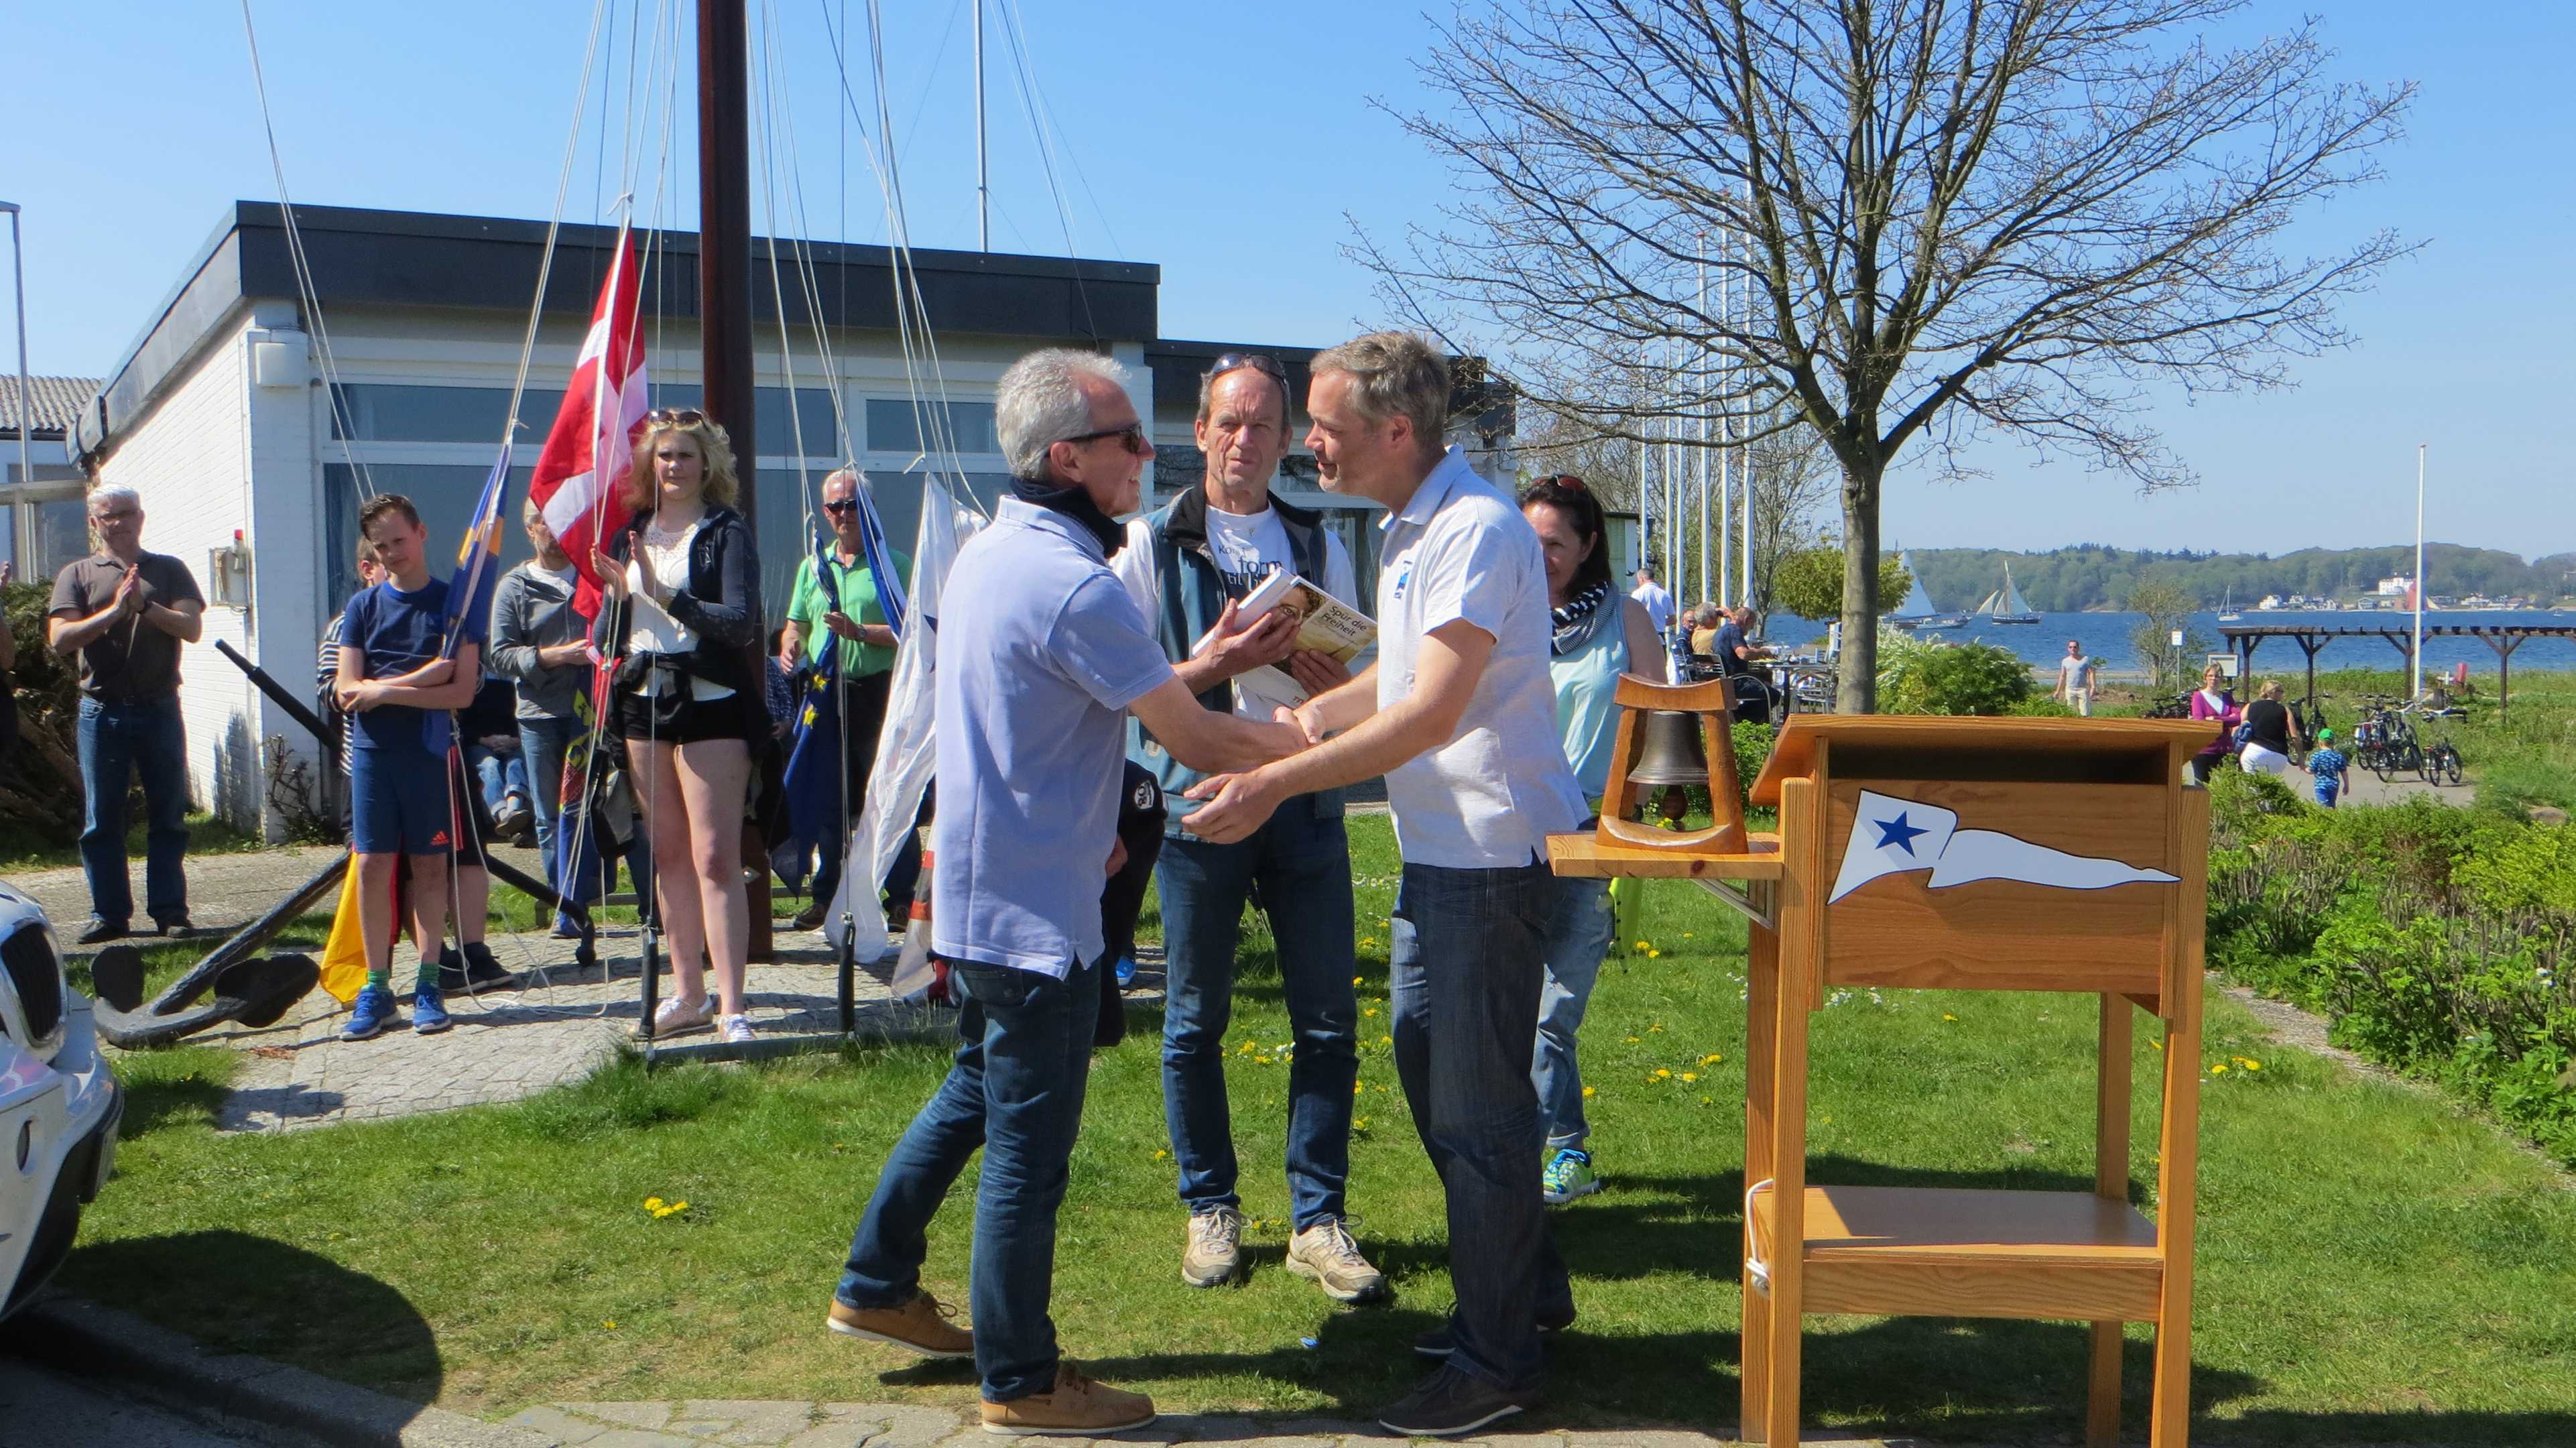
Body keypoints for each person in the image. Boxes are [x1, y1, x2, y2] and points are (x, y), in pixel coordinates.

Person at [828, 348, 1301, 1437]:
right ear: (1062, 459)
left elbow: (1096, 691)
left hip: (984, 900)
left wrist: (1201, 661)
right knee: (1027, 1158)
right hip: (1038, 915)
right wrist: (1328, 738)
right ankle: (1022, 1379)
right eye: (1125, 438)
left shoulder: (998, 554)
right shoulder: (1077, 581)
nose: (1147, 453)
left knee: (973, 1097)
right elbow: (1191, 738)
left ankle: (875, 1282)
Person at [1185, 331, 1589, 1437]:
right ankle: (1525, 1296)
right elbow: (1395, 684)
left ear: (1396, 430)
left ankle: (1498, 1365)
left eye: (1323, 426)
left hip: (1490, 861)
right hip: (1441, 859)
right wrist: (1299, 723)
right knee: (1434, 1076)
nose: (1305, 444)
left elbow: (1429, 714)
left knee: (1479, 1112)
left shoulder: (1474, 529)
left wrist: (1273, 778)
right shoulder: (1416, 527)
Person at [1109, 351, 1379, 1299]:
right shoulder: (1149, 544)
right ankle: (1209, 1207)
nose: (1244, 439)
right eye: (1228, 421)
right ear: (1199, 431)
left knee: (1327, 1017)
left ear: (1284, 438)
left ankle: (1318, 1219)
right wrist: (1214, 659)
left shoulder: (1318, 542)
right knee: (1195, 1019)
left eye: (1262, 423)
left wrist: (1331, 680)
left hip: (1302, 795)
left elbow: (1358, 680)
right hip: (1200, 802)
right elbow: (1126, 684)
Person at [595, 409, 765, 1045]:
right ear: (650, 463)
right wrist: (620, 596)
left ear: (706, 464)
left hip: (712, 701)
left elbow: (739, 623)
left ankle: (733, 1006)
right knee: (667, 854)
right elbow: (608, 638)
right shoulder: (631, 533)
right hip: (643, 700)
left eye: (685, 455)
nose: (673, 466)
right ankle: (688, 993)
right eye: (664, 455)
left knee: (714, 856)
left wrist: (665, 594)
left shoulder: (725, 531)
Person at [1521, 475, 1663, 1209]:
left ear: (1587, 547)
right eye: (1528, 541)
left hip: (1589, 827)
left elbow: (1663, 718)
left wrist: (1633, 811)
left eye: (1554, 543)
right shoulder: (1500, 611)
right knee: (1518, 1005)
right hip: (1508, 828)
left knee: (1553, 1007)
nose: (1539, 556)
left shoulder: (1626, 616)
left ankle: (1532, 1162)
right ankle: (1565, 1148)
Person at [332, 495, 489, 1040]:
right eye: (382, 546)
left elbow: (461, 692)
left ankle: (428, 982)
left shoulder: (453, 606)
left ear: (421, 534)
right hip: (373, 754)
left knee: (430, 867)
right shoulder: (362, 607)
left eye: (400, 540)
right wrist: (418, 680)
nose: (393, 553)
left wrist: (384, 691)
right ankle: (377, 987)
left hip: (429, 754)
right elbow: (346, 690)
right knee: (373, 865)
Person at [46, 485, 204, 944]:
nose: (119, 522)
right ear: (94, 523)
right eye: (108, 515)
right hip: (102, 711)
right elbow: (60, 639)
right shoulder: (78, 574)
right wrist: (114, 612)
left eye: (126, 513)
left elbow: (191, 627)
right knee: (103, 820)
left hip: (159, 707)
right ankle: (109, 916)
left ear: (141, 517)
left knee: (168, 815)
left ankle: (171, 913)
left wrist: (146, 607)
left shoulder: (169, 569)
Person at [488, 504, 635, 938]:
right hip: (540, 717)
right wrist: (554, 656)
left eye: (561, 522)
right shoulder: (514, 587)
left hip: (593, 712)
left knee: (595, 807)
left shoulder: (592, 578)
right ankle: (566, 906)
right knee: (550, 816)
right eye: (544, 523)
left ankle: (602, 895)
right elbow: (499, 655)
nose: (553, 532)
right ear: (529, 529)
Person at [780, 467, 912, 932]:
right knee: (828, 796)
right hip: (826, 691)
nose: (843, 514)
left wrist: (860, 633)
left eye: (851, 505)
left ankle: (900, 896)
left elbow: (911, 631)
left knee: (886, 794)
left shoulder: (893, 564)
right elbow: (796, 623)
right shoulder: (813, 566)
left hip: (877, 691)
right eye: (835, 506)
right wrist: (790, 645)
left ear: (869, 509)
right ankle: (827, 896)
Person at [1713, 606, 1778, 724]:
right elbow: (1743, 654)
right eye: (1752, 625)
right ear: (1747, 620)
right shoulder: (1735, 630)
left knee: (1765, 684)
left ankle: (1739, 717)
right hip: (1735, 682)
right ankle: (1742, 719)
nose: (1751, 629)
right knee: (1773, 694)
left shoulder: (1721, 631)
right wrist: (1762, 652)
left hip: (1722, 681)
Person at [2187, 664, 2240, 785]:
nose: (2214, 679)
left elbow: (2237, 719)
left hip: (2225, 749)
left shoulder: (2227, 697)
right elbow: (2200, 722)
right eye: (2210, 676)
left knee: (2229, 787)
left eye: (2217, 676)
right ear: (2205, 678)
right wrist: (2227, 719)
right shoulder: (2198, 696)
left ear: (2221, 678)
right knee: (2201, 788)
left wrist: (2215, 719)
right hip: (2205, 750)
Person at [2238, 678, 2293, 776]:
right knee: (2272, 783)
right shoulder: (2284, 710)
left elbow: (2240, 725)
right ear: (2273, 692)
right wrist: (2301, 756)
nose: (2283, 694)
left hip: (2254, 750)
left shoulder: (2250, 706)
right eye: (2281, 691)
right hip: (2278, 753)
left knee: (2252, 783)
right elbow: (2294, 736)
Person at [2305, 726, 2348, 808]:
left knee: (2323, 806)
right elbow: (2344, 772)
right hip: (2334, 785)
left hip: (2321, 785)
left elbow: (2311, 771)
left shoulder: (2317, 756)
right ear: (2333, 743)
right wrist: (2346, 785)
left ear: (2320, 742)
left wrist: (2304, 768)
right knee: (2331, 805)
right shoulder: (2338, 756)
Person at [1629, 566, 1673, 640]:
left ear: (1641, 579)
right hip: (1660, 636)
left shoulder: (1638, 593)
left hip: (1643, 634)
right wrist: (1660, 622)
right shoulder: (1665, 595)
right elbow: (1673, 619)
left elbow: (1631, 615)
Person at [2055, 640, 2097, 716]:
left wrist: (2093, 687)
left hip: (2082, 690)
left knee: (2085, 714)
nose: (2073, 649)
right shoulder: (2065, 661)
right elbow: (2063, 676)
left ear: (2078, 648)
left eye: (2075, 647)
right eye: (2070, 647)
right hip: (2070, 690)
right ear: (2068, 648)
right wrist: (2058, 691)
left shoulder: (2085, 659)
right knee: (2071, 714)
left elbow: (2091, 673)